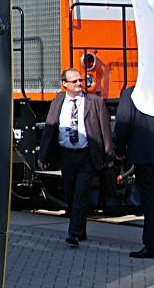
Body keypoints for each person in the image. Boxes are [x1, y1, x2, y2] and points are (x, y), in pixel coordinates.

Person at [37, 68, 114, 247]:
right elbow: (50, 128)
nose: (79, 83)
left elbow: (105, 130)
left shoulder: (94, 102)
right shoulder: (58, 101)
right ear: (65, 84)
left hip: (87, 155)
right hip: (66, 155)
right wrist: (43, 155)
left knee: (81, 193)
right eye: (75, 81)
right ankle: (81, 230)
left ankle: (73, 234)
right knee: (71, 194)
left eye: (81, 80)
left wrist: (108, 155)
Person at [114, 86, 154, 259]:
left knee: (148, 202)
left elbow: (123, 122)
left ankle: (153, 245)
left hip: (143, 154)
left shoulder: (131, 93)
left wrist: (119, 150)